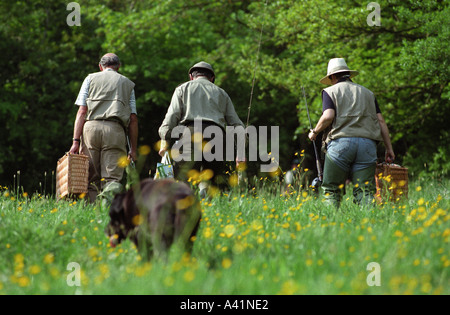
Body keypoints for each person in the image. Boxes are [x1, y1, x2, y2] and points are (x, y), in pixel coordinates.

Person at [308, 58, 395, 207]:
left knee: (332, 190)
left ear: (332, 77)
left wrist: (314, 132)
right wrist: (389, 148)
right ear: (348, 74)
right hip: (367, 145)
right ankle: (370, 225)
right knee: (365, 191)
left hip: (340, 145)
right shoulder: (368, 93)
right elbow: (381, 122)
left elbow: (328, 116)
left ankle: (329, 227)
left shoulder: (330, 91)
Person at [158, 61, 245, 194]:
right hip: (217, 136)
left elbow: (171, 118)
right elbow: (237, 125)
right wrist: (240, 154)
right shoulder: (222, 93)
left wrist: (164, 140)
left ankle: (189, 207)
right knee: (213, 182)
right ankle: (206, 193)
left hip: (190, 133)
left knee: (184, 181)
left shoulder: (182, 89)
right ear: (212, 78)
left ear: (191, 76)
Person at [69, 53, 138, 203]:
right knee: (112, 177)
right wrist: (133, 148)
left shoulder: (90, 78)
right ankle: (107, 211)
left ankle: (92, 211)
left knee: (91, 175)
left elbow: (82, 111)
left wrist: (75, 141)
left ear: (100, 66)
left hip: (90, 129)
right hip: (115, 130)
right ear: (118, 67)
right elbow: (133, 118)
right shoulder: (128, 84)